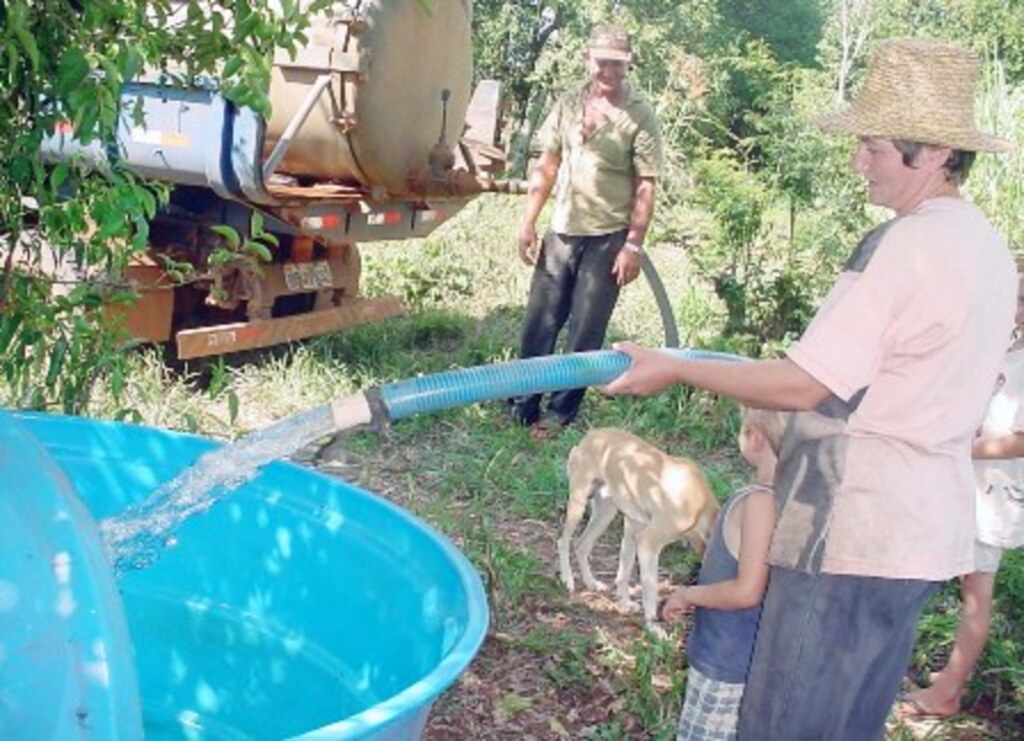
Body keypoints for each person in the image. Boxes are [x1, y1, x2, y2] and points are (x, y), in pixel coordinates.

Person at [602, 37, 1016, 739]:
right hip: (918, 536)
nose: (859, 162)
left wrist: (672, 365)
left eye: (876, 148)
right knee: (848, 721)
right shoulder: (988, 248)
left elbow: (807, 382)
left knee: (788, 723)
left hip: (851, 532)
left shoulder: (905, 246)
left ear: (938, 154)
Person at [509, 24, 664, 440]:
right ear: (587, 59)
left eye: (616, 64)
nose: (608, 71)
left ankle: (560, 414)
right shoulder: (569, 102)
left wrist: (633, 244)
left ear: (627, 66)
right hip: (562, 230)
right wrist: (528, 221)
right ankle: (521, 403)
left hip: (608, 236)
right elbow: (548, 163)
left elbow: (646, 183)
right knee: (540, 323)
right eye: (601, 62)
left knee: (585, 332)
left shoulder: (639, 112)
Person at [900, 263, 1024, 719]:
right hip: (969, 487)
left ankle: (949, 691)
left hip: (994, 496)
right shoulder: (1010, 350)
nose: (1015, 308)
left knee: (977, 591)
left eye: (1023, 301)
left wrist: (965, 447)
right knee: (955, 577)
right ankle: (951, 672)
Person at [664, 406, 787, 740]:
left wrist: (686, 594)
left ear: (755, 438)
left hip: (727, 661)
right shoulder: (797, 499)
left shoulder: (758, 504)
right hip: (762, 659)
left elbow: (746, 591)